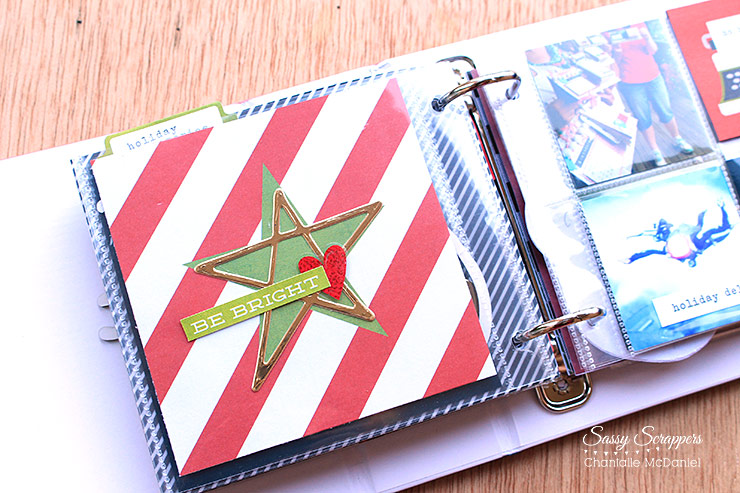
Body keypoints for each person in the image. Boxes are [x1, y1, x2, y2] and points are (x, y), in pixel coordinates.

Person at [608, 25, 694, 166]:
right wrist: (617, 49)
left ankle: (678, 138)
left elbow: (653, 50)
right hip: (630, 82)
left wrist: (646, 36)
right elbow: (615, 62)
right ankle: (655, 151)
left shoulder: (639, 24)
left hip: (654, 76)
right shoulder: (608, 32)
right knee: (643, 117)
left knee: (665, 110)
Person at [625, 201, 732, 267]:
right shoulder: (698, 249)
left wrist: (632, 258)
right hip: (683, 236)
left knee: (704, 230)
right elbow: (713, 240)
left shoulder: (680, 253)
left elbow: (650, 251)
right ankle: (713, 216)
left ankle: (720, 220)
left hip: (681, 238)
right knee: (703, 231)